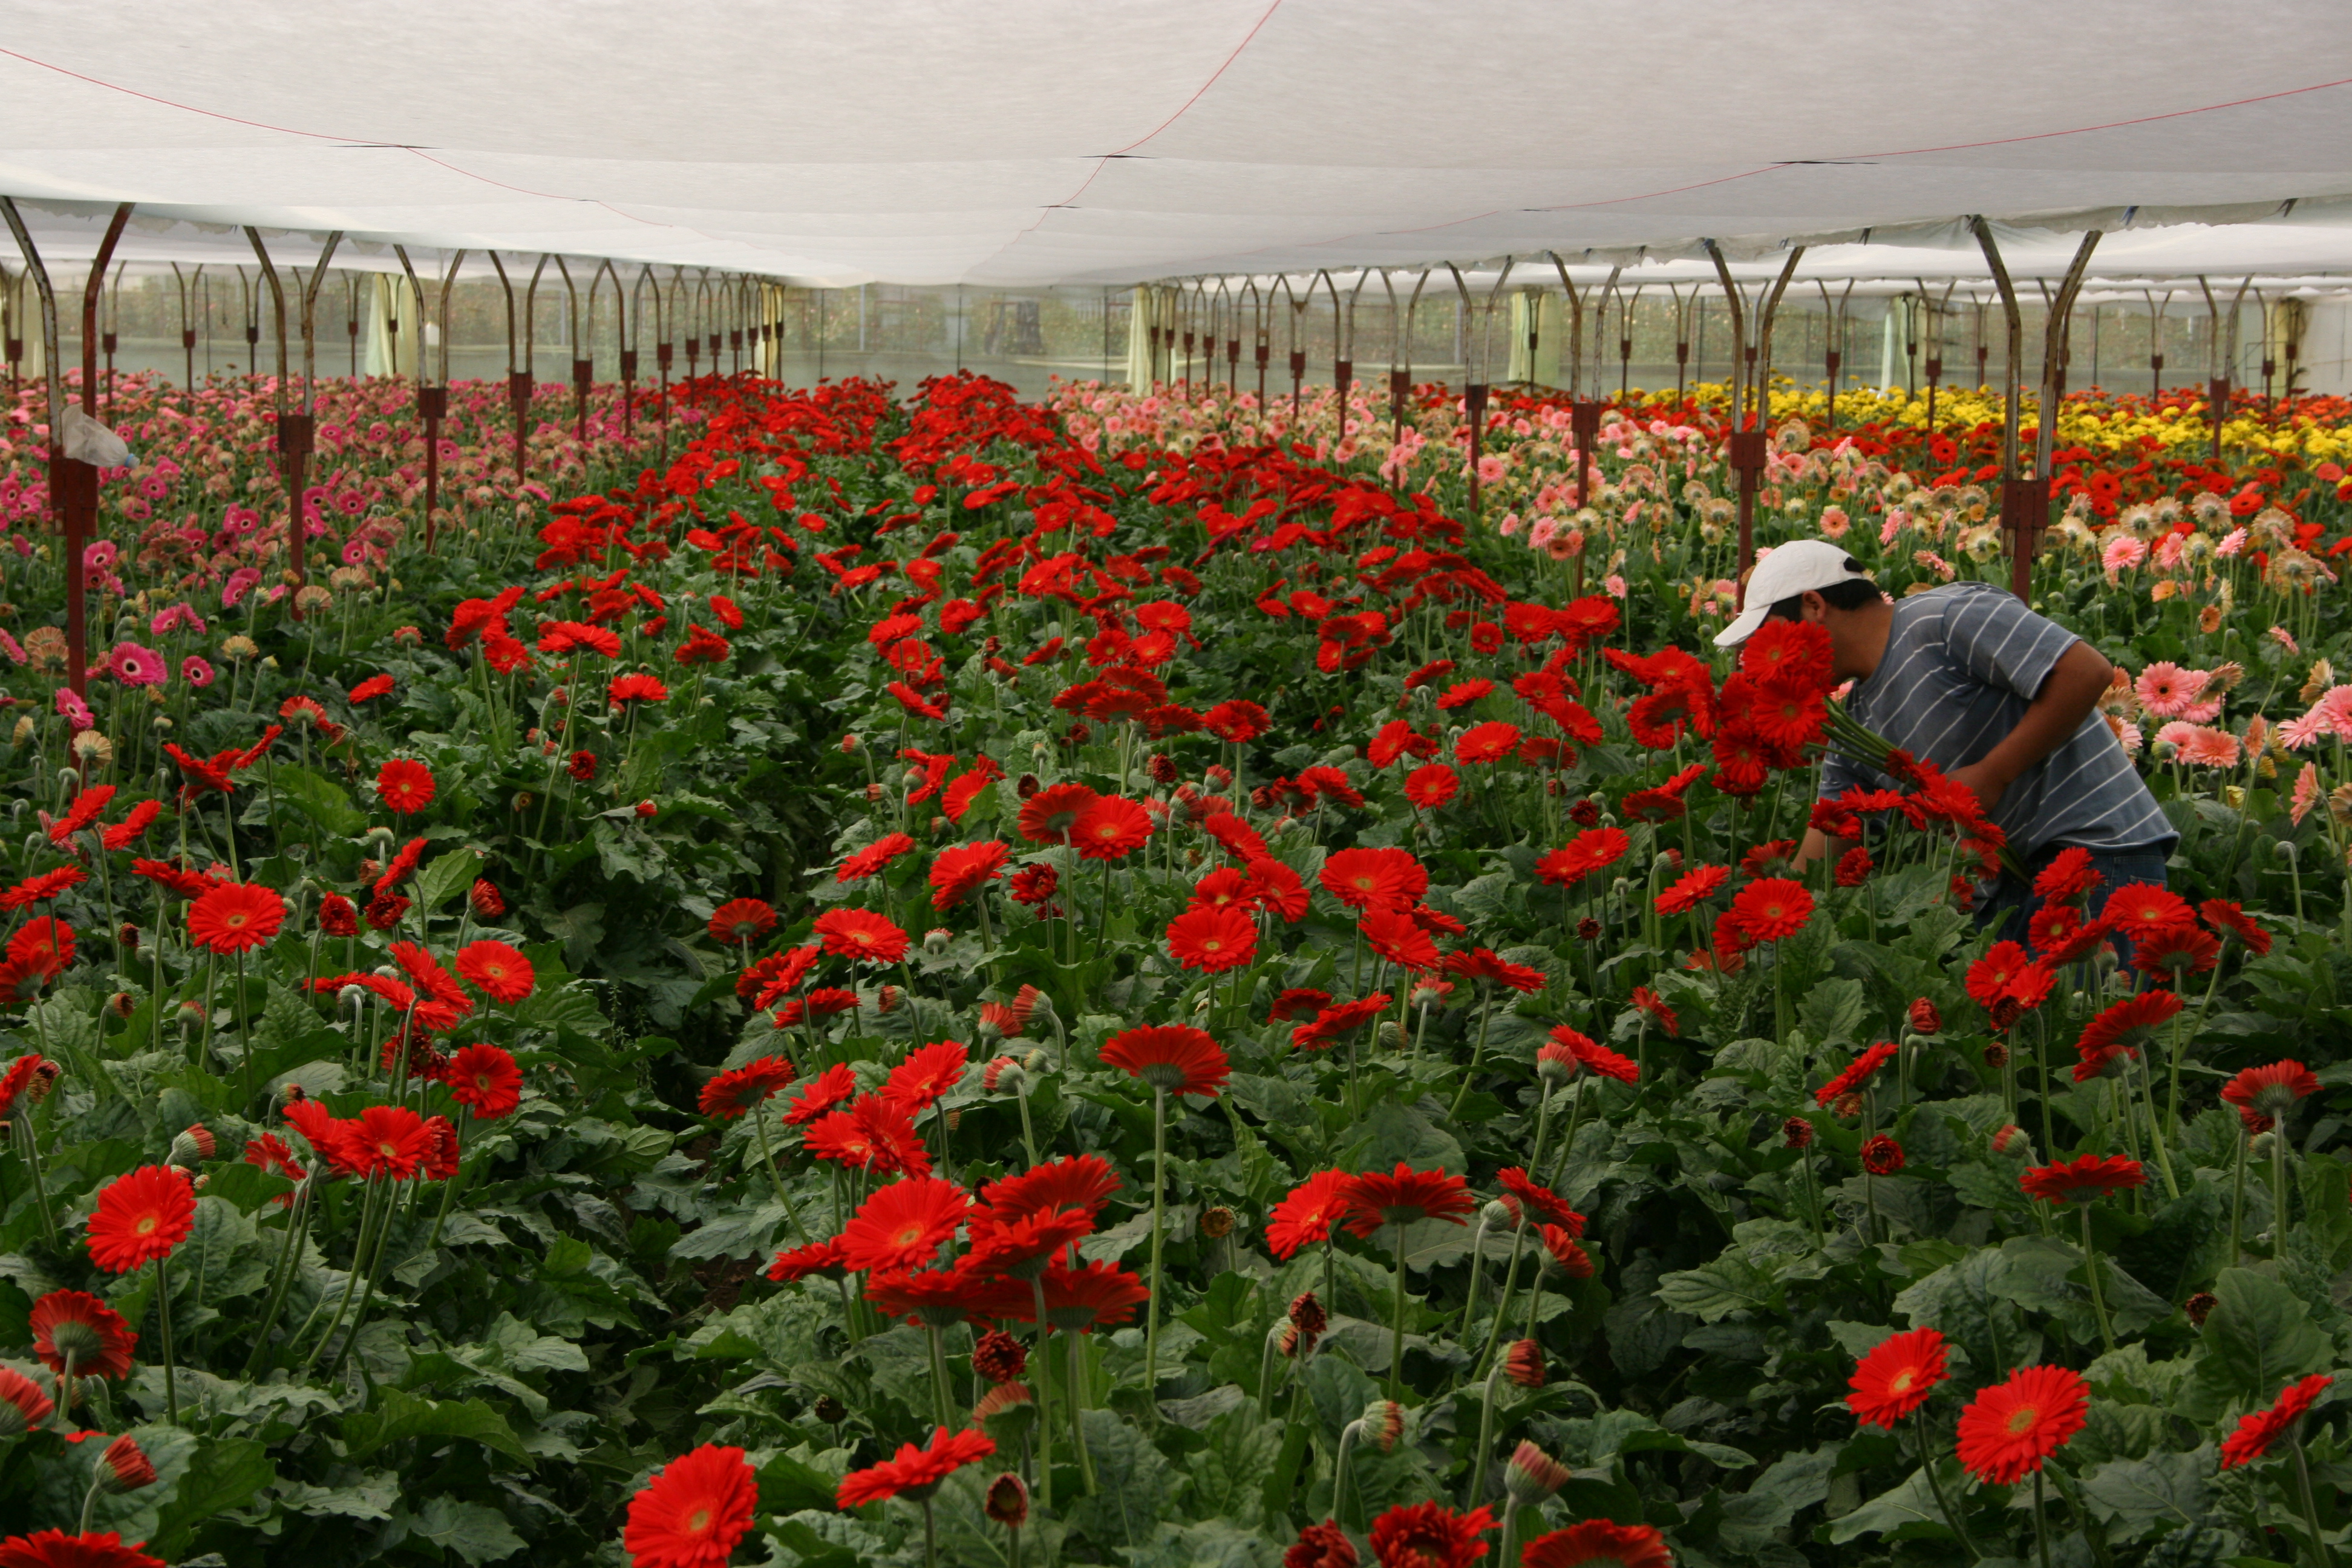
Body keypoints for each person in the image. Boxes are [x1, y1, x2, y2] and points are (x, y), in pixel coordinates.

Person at [1713, 540, 2174, 935]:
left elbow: (2086, 672)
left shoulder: (1945, 617)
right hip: (2008, 888)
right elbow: (1826, 843)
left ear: (1814, 606)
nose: (1767, 663)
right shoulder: (1855, 720)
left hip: (2099, 851)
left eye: (1768, 640)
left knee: (2092, 1007)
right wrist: (1759, 922)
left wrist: (1993, 773)